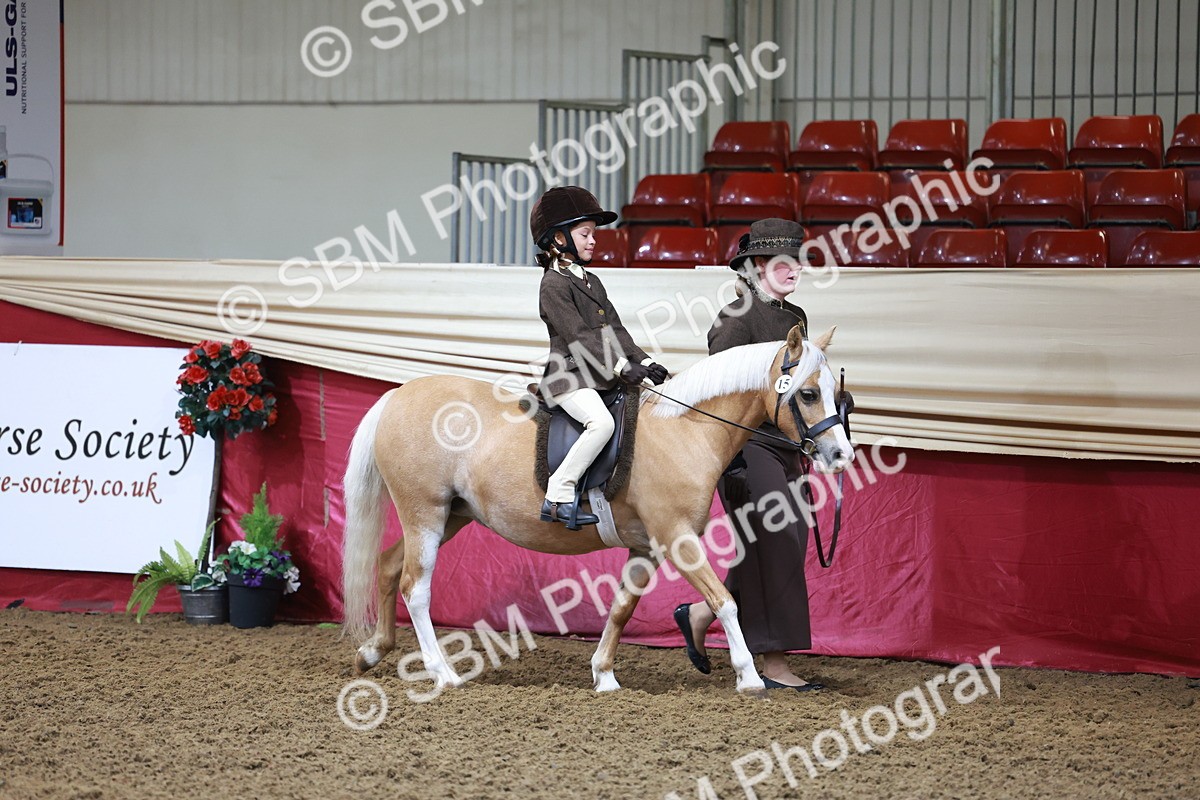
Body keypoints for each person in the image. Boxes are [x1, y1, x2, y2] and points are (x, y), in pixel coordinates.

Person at [672, 217, 824, 691]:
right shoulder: (734, 319)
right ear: (759, 265)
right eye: (785, 261)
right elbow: (719, 393)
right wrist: (731, 459)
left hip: (785, 445)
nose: (795, 268)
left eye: (798, 259)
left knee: (779, 541)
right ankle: (771, 660)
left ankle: (699, 613)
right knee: (777, 540)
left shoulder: (795, 319)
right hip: (746, 446)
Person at [531, 186, 668, 529]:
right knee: (602, 423)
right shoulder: (553, 284)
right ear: (558, 239)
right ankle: (559, 494)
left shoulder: (591, 281)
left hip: (596, 375)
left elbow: (616, 330)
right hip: (568, 377)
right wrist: (623, 366)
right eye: (585, 234)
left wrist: (644, 362)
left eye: (594, 234)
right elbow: (580, 336)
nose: (594, 241)